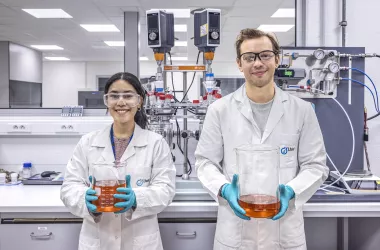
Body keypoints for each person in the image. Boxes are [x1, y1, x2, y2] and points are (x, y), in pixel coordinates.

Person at [195, 28, 329, 250]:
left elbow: (315, 165)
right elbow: (205, 162)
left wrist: (292, 190)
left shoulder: (302, 111)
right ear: (240, 64)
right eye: (249, 57)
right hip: (235, 234)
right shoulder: (219, 110)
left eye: (265, 55)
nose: (257, 63)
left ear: (277, 59)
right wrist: (224, 188)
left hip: (284, 233)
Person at [60, 72, 176, 250]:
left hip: (141, 241)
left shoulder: (156, 143)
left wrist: (137, 198)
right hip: (98, 239)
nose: (121, 102)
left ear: (140, 101)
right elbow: (69, 186)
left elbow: (166, 189)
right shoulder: (88, 142)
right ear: (107, 101)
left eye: (128, 95)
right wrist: (85, 200)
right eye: (114, 96)